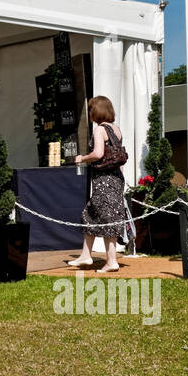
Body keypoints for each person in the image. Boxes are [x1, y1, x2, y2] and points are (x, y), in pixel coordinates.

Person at [67, 96, 127, 273]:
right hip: (116, 179)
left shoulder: (99, 130)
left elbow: (98, 153)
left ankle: (111, 261)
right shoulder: (116, 129)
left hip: (104, 180)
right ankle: (87, 255)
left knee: (105, 217)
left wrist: (82, 158)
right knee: (92, 215)